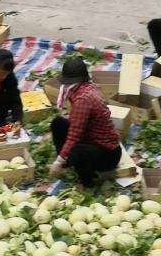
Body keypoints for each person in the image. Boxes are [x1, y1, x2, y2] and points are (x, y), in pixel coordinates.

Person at [49, 56, 121, 185]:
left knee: (77, 151)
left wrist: (57, 162)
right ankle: (68, 162)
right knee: (58, 123)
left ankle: (88, 183)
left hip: (108, 154)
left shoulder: (83, 99)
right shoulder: (87, 87)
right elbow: (76, 124)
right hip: (92, 139)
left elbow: (74, 136)